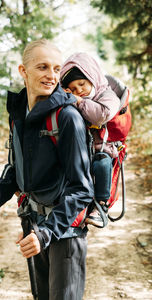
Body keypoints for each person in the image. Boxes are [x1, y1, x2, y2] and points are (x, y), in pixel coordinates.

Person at [0, 40, 94, 300]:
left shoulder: (67, 118)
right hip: (33, 224)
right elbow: (14, 171)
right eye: (42, 67)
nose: (52, 75)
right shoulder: (18, 114)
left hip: (64, 230)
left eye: (56, 68)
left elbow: (82, 189)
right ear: (23, 71)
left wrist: (46, 233)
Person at [60, 52, 121, 228]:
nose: (79, 90)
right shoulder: (76, 98)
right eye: (73, 88)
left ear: (92, 79)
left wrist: (78, 101)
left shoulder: (107, 95)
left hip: (103, 148)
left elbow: (102, 115)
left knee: (101, 164)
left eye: (81, 84)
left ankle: (101, 206)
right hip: (82, 148)